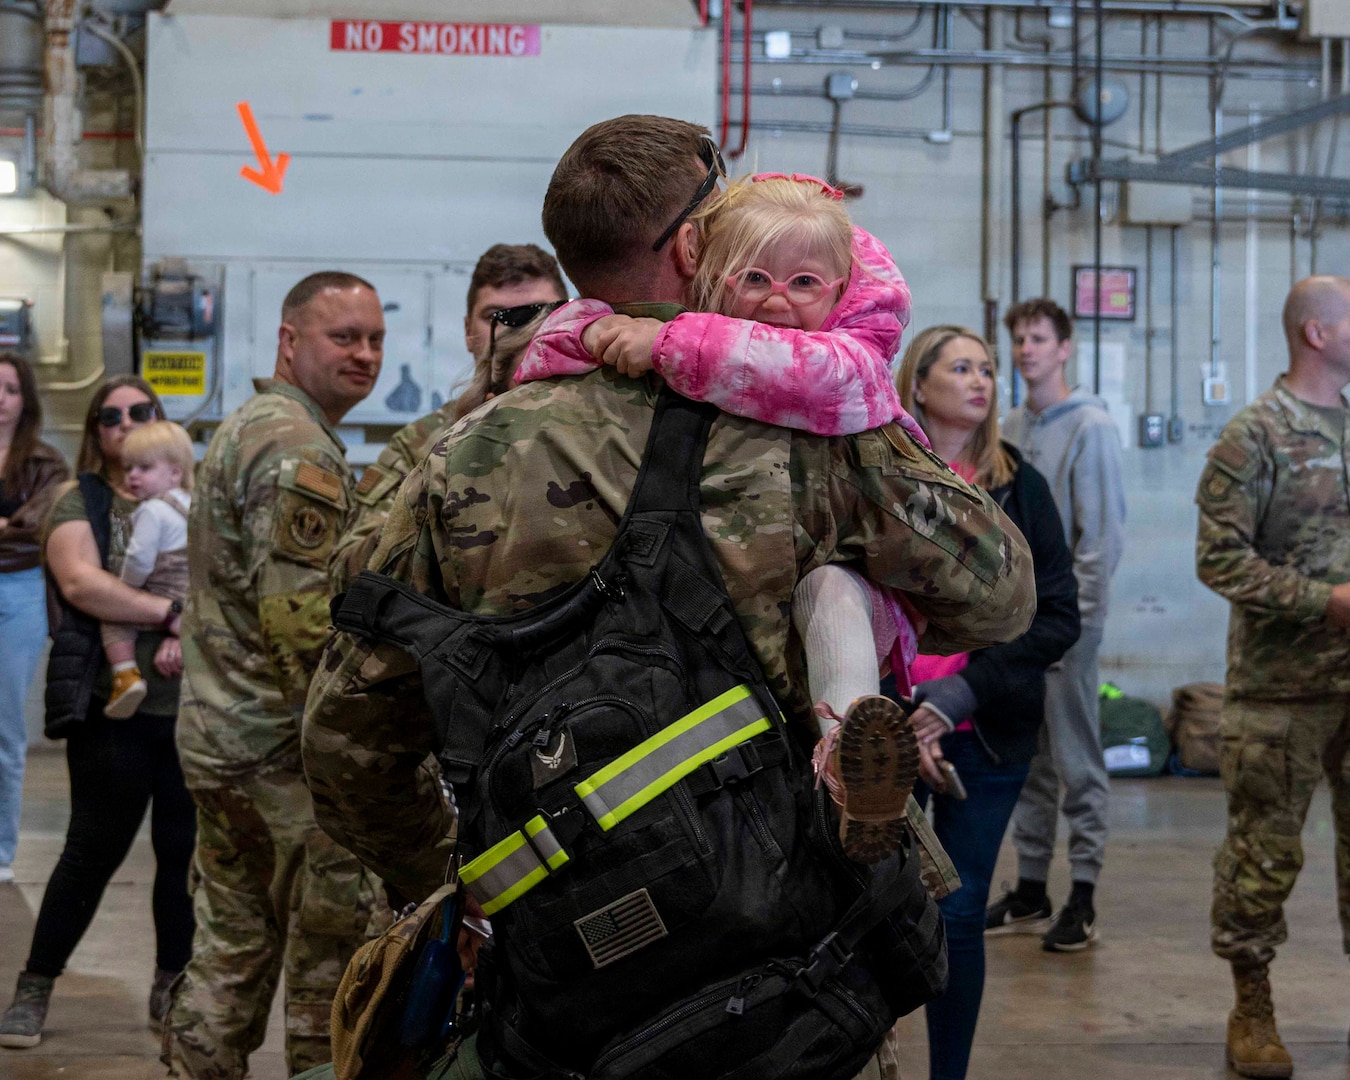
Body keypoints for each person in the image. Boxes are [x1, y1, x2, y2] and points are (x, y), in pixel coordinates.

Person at [301, 115, 1036, 1080]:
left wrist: (477, 883)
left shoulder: (459, 452)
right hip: (790, 978)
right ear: (695, 244)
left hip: (564, 976)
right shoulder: (812, 428)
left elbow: (346, 734)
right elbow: (1002, 596)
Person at [518, 171, 934, 860]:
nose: (779, 300)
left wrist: (665, 344)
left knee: (829, 593)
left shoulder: (850, 360)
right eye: (755, 280)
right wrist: (592, 331)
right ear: (709, 275)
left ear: (839, 291)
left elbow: (807, 371)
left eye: (806, 285)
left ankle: (851, 751)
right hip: (709, 695)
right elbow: (548, 346)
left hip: (852, 605)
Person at [164, 272, 389, 1080]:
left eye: (374, 339)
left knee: (230, 945)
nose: (364, 354)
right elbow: (300, 628)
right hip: (282, 764)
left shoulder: (250, 424)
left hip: (220, 741)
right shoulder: (296, 446)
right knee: (327, 972)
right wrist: (353, 753)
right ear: (290, 341)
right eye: (344, 337)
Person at [891, 325, 1079, 1080]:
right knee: (873, 914)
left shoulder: (1018, 485)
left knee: (960, 913)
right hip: (887, 732)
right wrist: (904, 710)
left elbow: (1058, 614)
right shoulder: (880, 476)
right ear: (919, 382)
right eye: (962, 367)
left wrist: (961, 691)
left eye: (989, 369)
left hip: (987, 734)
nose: (982, 381)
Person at [0, 377, 193, 1050]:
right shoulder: (76, 498)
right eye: (110, 415)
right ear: (94, 429)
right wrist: (175, 613)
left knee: (183, 852)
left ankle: (174, 985)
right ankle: (35, 984)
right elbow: (84, 585)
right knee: (90, 850)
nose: (124, 423)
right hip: (111, 706)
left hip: (190, 705)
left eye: (140, 412)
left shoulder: (191, 498)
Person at [1196, 275, 1350, 1079]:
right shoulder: (1254, 434)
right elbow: (1217, 558)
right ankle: (1251, 1007)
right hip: (1280, 688)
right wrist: (1324, 601)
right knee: (1264, 855)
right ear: (1317, 332)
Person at [986, 297, 1125, 952]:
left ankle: (1088, 895)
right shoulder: (1010, 425)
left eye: (1038, 337)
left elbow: (1098, 536)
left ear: (1064, 348)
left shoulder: (1091, 425)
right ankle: (1033, 887)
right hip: (1019, 625)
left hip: (1069, 623)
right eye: (1018, 338)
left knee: (1076, 756)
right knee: (1031, 759)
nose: (1026, 349)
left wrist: (1081, 621)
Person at [331, 244, 567, 592]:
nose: (514, 332)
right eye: (495, 317)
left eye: (536, 316)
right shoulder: (421, 443)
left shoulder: (596, 422)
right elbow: (347, 573)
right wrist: (436, 500)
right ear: (468, 331)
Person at [0, 353, 69, 885]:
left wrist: (13, 525)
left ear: (25, 399)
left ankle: (1, 851)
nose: (1, 397)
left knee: (4, 728)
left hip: (19, 590)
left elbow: (36, 524)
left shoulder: (46, 461)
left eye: (10, 388)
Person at [100, 422, 194, 719]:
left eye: (145, 467)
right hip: (190, 598)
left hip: (162, 596)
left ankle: (125, 675)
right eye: (129, 469)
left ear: (175, 472)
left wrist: (125, 587)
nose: (133, 476)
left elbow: (139, 559)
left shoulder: (151, 511)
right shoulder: (193, 503)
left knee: (112, 614)